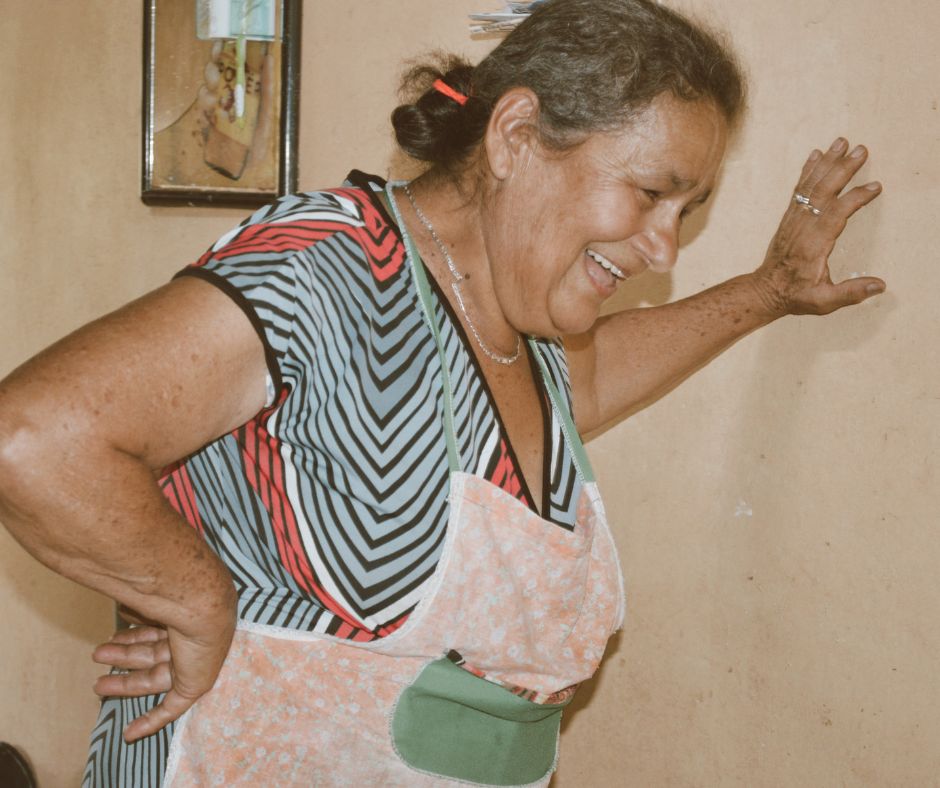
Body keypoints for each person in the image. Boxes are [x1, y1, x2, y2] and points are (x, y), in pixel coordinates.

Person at [0, 0, 884, 785]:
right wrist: (197, 600)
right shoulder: (328, 270)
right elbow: (34, 439)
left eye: (685, 212)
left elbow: (599, 375)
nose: (665, 247)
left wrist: (768, 291)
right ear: (515, 138)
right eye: (651, 193)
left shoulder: (524, 321)